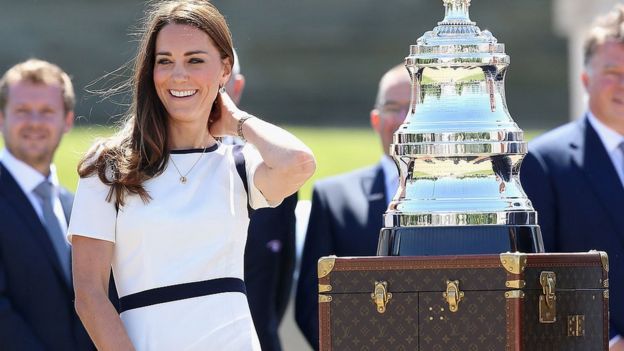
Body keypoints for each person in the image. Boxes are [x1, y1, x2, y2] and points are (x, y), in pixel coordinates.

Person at [67, 1, 316, 350]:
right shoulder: (108, 166)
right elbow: (89, 295)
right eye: (165, 61)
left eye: (195, 60)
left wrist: (237, 121)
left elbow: (300, 162)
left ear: (225, 69)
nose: (178, 74)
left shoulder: (240, 165)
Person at [520, 4, 624, 350]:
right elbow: (538, 274)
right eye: (612, 71)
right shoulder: (545, 161)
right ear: (585, 79)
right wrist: (602, 339)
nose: (623, 84)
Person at [295, 64, 410, 349]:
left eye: (415, 107)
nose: (404, 119)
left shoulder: (466, 198)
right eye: (394, 107)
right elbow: (312, 305)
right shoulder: (334, 198)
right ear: (375, 119)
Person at [0, 59, 94, 350]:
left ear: (67, 121)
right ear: (1, 118)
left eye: (47, 111)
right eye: (22, 111)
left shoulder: (78, 206)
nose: (35, 122)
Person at [225, 50, 298, 351]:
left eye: (220, 82)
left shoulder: (267, 169)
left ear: (237, 87)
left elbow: (278, 285)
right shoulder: (142, 170)